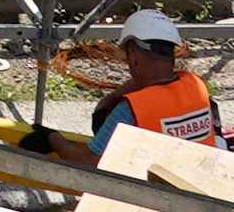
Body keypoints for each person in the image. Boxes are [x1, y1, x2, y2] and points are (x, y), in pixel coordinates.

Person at [91, 10, 219, 158]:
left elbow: (91, 162)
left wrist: (57, 139)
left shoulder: (131, 109)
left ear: (132, 54)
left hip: (152, 180)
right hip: (201, 176)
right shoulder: (196, 85)